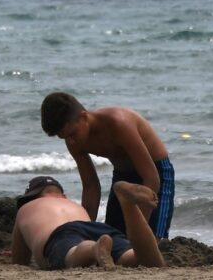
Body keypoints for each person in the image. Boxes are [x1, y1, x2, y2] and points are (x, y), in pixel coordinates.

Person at [40, 92, 174, 239]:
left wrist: (139, 228)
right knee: (115, 238)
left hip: (156, 172)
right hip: (122, 179)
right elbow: (91, 187)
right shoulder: (74, 141)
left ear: (84, 117)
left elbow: (152, 178)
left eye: (72, 134)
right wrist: (84, 231)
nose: (70, 141)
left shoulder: (118, 123)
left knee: (150, 239)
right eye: (64, 137)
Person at [10, 176, 165, 269]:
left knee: (73, 254)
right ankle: (129, 206)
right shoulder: (74, 205)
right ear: (63, 196)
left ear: (32, 198)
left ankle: (93, 249)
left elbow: (19, 261)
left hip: (61, 234)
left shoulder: (26, 208)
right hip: (98, 227)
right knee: (143, 261)